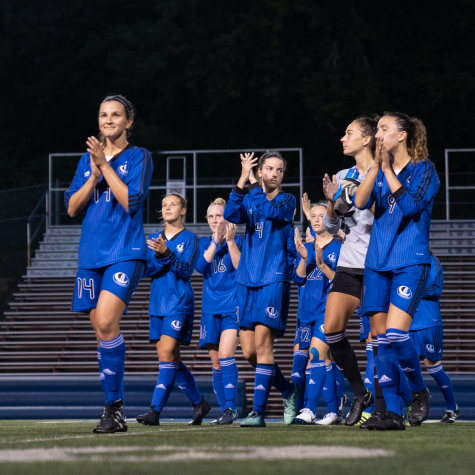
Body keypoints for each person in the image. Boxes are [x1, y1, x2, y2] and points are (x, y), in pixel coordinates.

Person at [65, 94, 153, 433]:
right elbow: (72, 208)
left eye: (116, 115)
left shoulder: (139, 157)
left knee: (105, 319)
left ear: (128, 122)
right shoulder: (86, 159)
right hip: (90, 256)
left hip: (125, 250)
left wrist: (104, 166)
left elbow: (131, 200)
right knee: (102, 330)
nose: (108, 120)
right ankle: (114, 409)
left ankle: (113, 408)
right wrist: (93, 173)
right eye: (103, 115)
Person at [354, 112, 440, 430]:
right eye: (376, 129)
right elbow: (361, 202)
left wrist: (388, 169)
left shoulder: (424, 170)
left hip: (409, 261)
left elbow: (411, 206)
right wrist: (377, 166)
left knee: (396, 334)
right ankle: (391, 412)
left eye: (384, 129)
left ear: (402, 135)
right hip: (377, 263)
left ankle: (418, 391)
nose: (378, 134)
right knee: (380, 341)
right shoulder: (380, 171)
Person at [224, 151, 299, 427]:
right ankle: (289, 390)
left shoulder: (287, 200)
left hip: (273, 277)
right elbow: (231, 214)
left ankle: (258, 412)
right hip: (246, 279)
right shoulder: (251, 195)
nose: (274, 173)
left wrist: (253, 186)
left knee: (263, 344)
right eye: (269, 168)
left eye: (279, 170)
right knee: (248, 353)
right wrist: (243, 179)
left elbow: (269, 210)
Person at [321, 117, 379, 426]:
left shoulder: (385, 171)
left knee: (382, 339)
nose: (343, 138)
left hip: (379, 265)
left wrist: (357, 200)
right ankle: (360, 393)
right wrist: (332, 203)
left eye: (350, 133)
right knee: (331, 330)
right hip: (349, 263)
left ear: (368, 139)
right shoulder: (343, 175)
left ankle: (392, 401)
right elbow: (331, 226)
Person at [136, 193, 211, 426]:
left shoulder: (190, 238)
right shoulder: (153, 238)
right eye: (164, 205)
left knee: (167, 355)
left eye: (173, 204)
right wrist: (161, 255)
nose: (168, 208)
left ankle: (154, 411)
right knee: (171, 359)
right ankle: (199, 403)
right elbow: (149, 269)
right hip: (157, 303)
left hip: (179, 302)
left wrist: (166, 253)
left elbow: (187, 270)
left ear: (183, 210)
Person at [292, 202, 343, 425]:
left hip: (328, 310)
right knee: (325, 361)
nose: (315, 219)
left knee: (316, 354)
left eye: (321, 215)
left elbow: (342, 281)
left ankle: (310, 409)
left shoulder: (339, 247)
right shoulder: (306, 247)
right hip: (306, 312)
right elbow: (298, 279)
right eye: (312, 216)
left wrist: (321, 264)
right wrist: (304, 258)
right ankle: (333, 412)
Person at [195, 198, 242, 425]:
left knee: (225, 355)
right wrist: (215, 242)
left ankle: (231, 409)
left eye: (220, 215)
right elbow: (199, 267)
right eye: (211, 216)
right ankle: (224, 411)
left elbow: (241, 267)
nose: (215, 220)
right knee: (215, 363)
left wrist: (230, 242)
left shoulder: (239, 240)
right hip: (209, 309)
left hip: (232, 307)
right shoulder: (203, 242)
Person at [409, 250, 459, 423]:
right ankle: (413, 404)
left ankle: (452, 408)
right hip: (408, 324)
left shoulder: (432, 261)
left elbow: (436, 289)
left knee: (433, 367)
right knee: (408, 368)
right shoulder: (404, 264)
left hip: (430, 322)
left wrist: (411, 289)